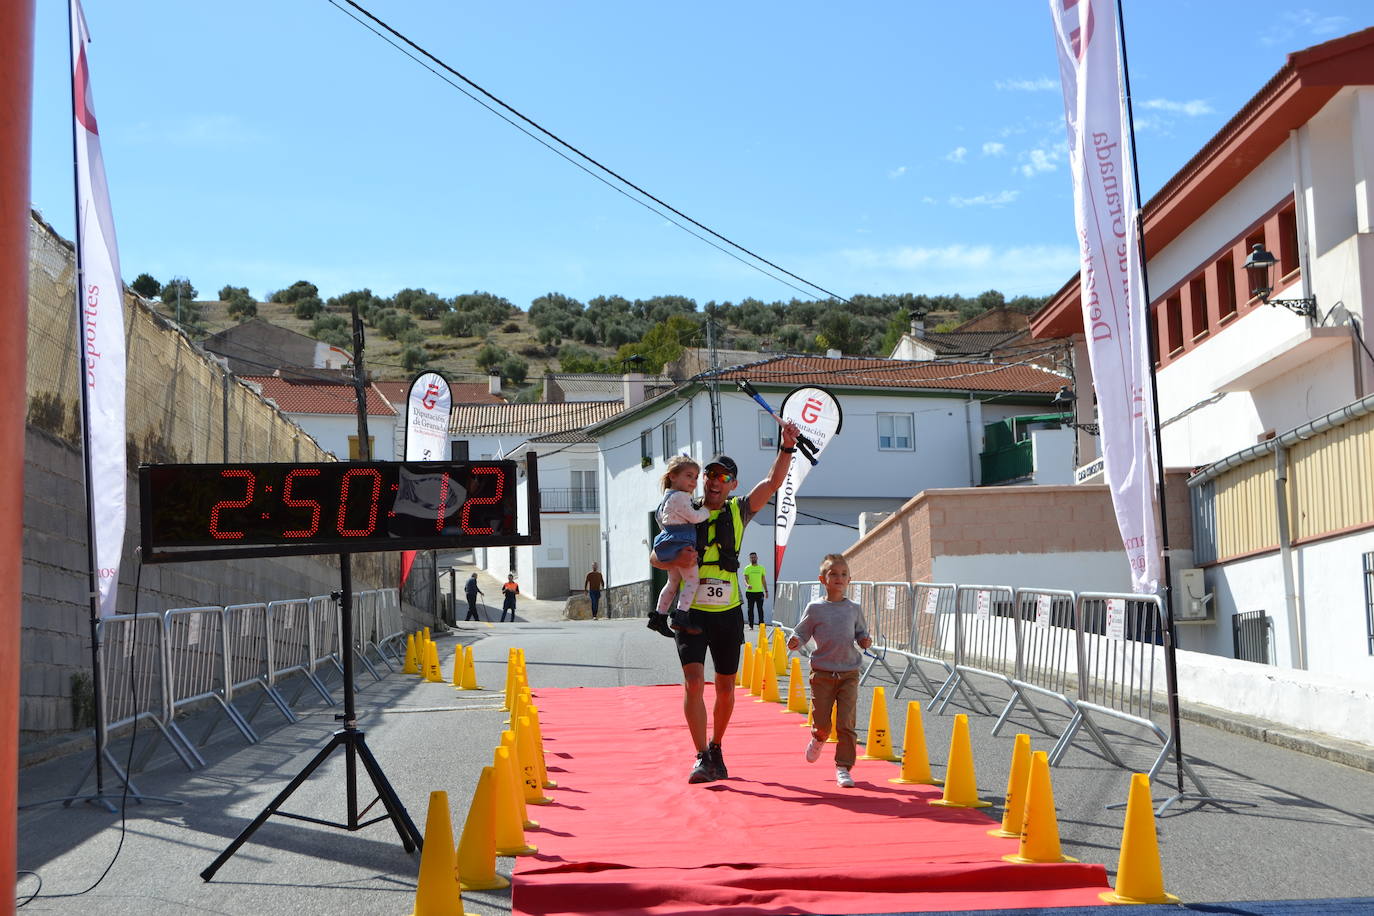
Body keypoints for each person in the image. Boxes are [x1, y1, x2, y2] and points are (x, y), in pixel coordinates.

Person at [651, 420, 800, 784]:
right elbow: (656, 557)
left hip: (728, 612)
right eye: (710, 475)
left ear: (732, 484)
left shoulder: (739, 509)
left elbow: (772, 483)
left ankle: (717, 746)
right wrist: (676, 561)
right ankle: (702, 754)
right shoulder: (684, 506)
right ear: (702, 480)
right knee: (693, 682)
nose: (715, 481)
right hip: (692, 610)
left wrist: (786, 447)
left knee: (726, 686)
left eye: (723, 476)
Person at [787, 554, 872, 789]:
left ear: (850, 580)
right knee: (823, 723)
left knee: (846, 723)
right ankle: (818, 736)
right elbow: (802, 632)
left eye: (843, 574)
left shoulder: (854, 608)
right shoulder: (815, 608)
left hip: (849, 673)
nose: (839, 578)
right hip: (823, 674)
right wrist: (795, 640)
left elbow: (861, 632)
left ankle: (843, 767)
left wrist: (865, 640)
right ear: (822, 579)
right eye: (833, 574)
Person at [649, 456, 711, 636]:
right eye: (689, 475)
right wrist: (706, 510)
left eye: (696, 477)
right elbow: (694, 517)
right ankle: (681, 616)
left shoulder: (666, 499)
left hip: (671, 542)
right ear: (673, 476)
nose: (693, 481)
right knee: (692, 580)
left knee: (673, 581)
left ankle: (659, 617)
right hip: (682, 543)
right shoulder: (680, 497)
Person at [742, 552, 769, 629]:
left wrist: (766, 591)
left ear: (757, 558)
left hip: (759, 592)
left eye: (754, 557)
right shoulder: (747, 568)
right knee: (750, 609)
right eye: (751, 557)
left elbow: (763, 580)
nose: (753, 558)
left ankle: (761, 625)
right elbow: (745, 579)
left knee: (760, 609)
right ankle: (751, 625)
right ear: (749, 559)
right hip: (750, 592)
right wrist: (747, 585)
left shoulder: (761, 568)